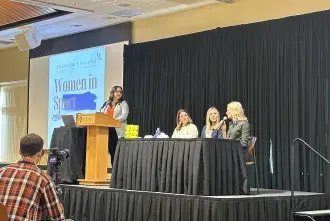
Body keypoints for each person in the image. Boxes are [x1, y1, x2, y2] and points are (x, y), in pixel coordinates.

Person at [0, 133, 65, 221]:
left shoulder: (1, 171)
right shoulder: (43, 179)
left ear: (20, 152)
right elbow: (57, 217)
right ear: (40, 153)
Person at [102, 86, 129, 166]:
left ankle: (118, 171)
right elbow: (102, 113)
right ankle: (113, 170)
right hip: (107, 130)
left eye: (120, 92)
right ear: (112, 93)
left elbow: (124, 116)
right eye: (117, 91)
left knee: (117, 152)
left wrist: (113, 121)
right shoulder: (107, 103)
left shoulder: (123, 103)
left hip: (117, 131)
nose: (119, 93)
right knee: (111, 151)